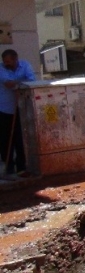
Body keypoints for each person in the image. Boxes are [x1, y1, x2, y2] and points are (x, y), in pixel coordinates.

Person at [0, 49, 35, 177]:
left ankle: (21, 167)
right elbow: (8, 84)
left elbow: (32, 81)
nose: (6, 63)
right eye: (5, 61)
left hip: (20, 108)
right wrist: (21, 83)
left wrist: (18, 84)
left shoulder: (25, 65)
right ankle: (8, 166)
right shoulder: (1, 69)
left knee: (20, 139)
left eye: (8, 61)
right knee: (5, 139)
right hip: (4, 109)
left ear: (15, 59)